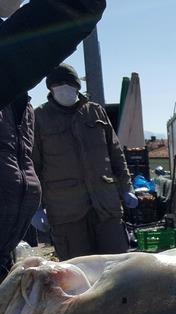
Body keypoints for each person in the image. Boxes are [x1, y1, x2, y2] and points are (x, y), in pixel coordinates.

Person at [1, 0, 105, 280]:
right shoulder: (43, 113)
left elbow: (113, 153)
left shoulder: (91, 112)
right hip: (65, 209)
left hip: (101, 204)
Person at [32, 64, 137, 261]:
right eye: (58, 84)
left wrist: (126, 187)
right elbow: (32, 167)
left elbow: (115, 154)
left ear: (78, 86)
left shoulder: (96, 112)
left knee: (117, 268)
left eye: (69, 83)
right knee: (78, 273)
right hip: (66, 213)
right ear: (50, 88)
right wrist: (35, 208)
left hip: (106, 207)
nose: (64, 88)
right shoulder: (39, 118)